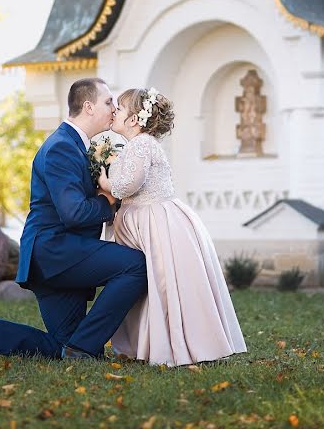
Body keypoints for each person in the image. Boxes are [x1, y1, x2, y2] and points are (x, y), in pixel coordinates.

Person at [0, 78, 148, 360]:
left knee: (62, 346)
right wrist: (107, 201)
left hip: (57, 257)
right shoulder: (62, 147)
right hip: (56, 251)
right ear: (88, 107)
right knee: (135, 266)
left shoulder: (76, 146)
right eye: (108, 102)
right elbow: (74, 213)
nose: (114, 108)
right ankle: (84, 347)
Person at [98, 87, 247, 366]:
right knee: (147, 283)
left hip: (155, 221)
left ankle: (174, 344)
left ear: (134, 120)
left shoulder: (142, 144)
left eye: (119, 106)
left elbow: (127, 185)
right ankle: (148, 343)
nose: (114, 110)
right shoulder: (134, 146)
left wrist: (105, 182)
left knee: (162, 282)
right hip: (141, 221)